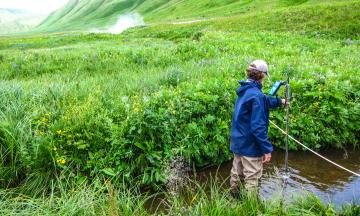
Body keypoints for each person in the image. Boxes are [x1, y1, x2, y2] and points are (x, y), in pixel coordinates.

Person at [229, 60, 286, 198]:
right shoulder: (257, 95)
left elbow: (261, 99)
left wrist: (279, 102)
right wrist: (266, 149)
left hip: (238, 140)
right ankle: (250, 207)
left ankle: (234, 199)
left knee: (237, 172)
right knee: (252, 176)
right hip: (250, 144)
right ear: (262, 75)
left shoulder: (245, 89)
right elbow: (258, 127)